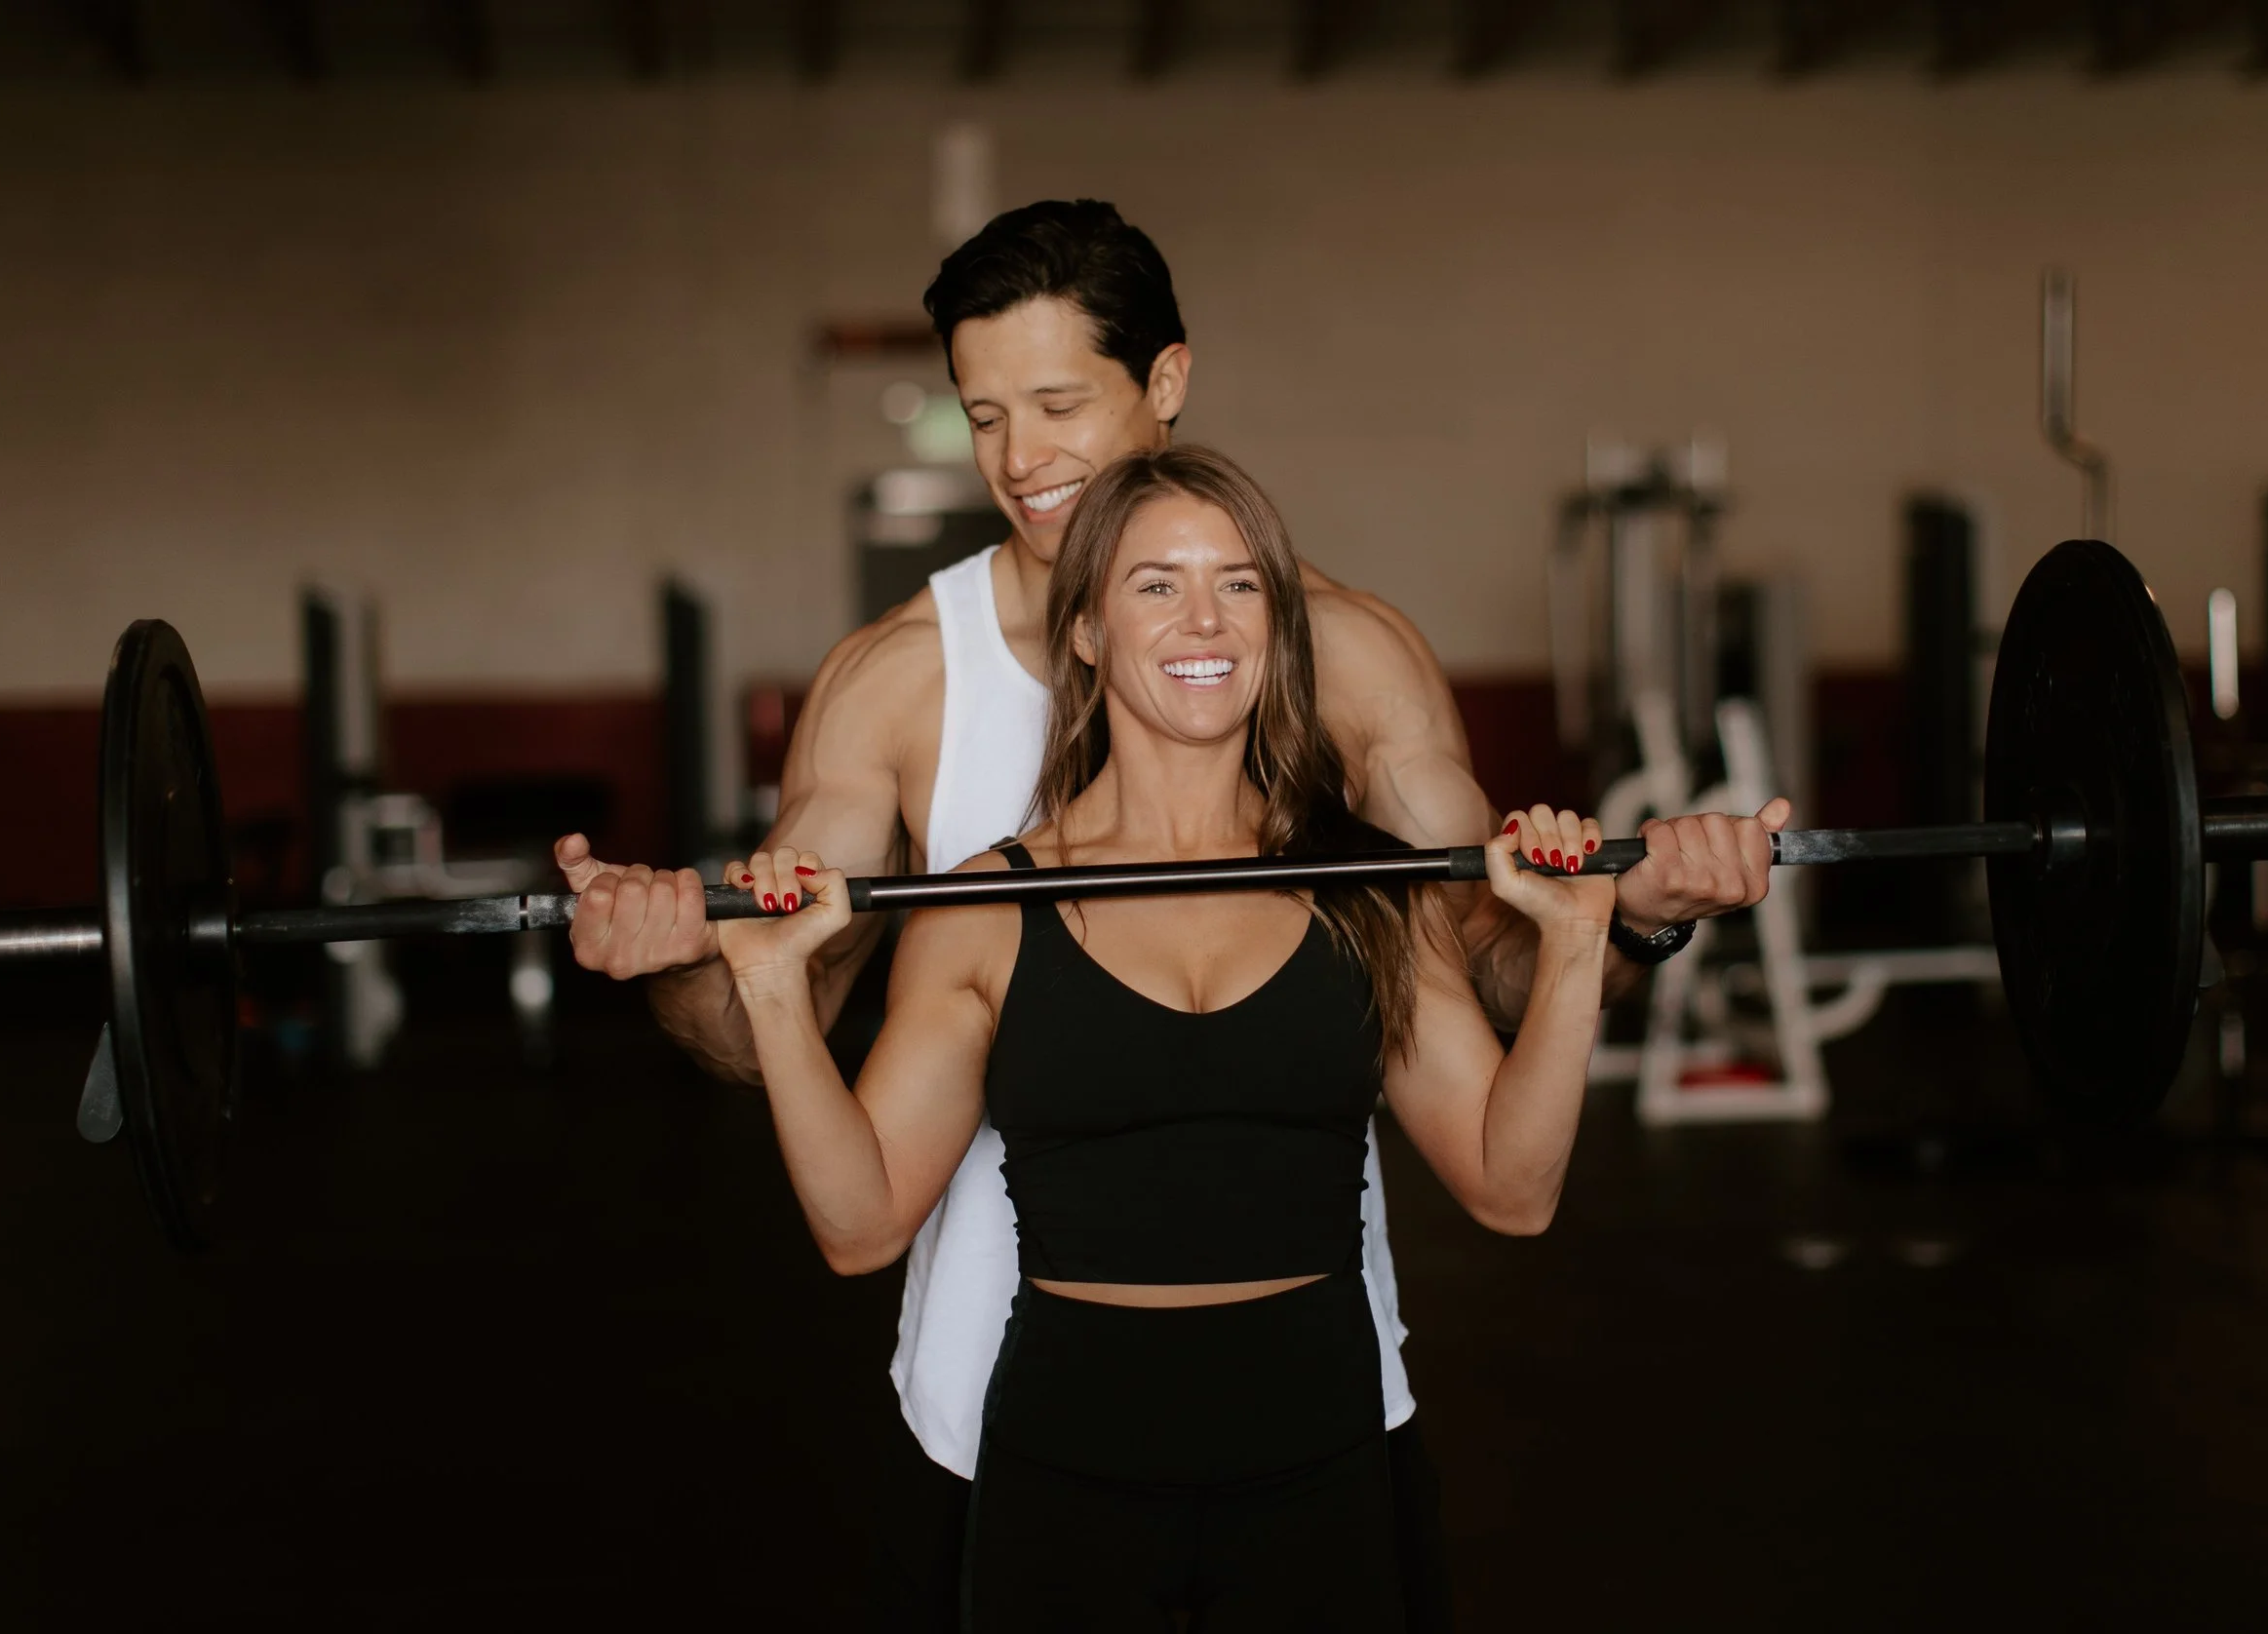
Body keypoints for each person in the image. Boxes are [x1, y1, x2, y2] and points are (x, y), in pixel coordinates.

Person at [556, 201, 1786, 1624]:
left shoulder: (1349, 663)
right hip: (994, 1411)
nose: (1021, 460)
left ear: (1168, 385)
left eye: (1061, 403)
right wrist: (669, 961)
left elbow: (1488, 973)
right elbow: (771, 1013)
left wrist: (1627, 922)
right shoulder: (899, 682)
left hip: (1318, 1398)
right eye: (985, 416)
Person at [721, 445, 1632, 1629]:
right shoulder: (984, 909)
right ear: (1087, 629)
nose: (1204, 617)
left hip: (1323, 1457)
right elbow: (861, 1225)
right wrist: (777, 991)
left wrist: (1572, 942)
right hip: (1066, 1468)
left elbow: (1513, 1186)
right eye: (1156, 583)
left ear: (1278, 622)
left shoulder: (1365, 888)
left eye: (1241, 582)